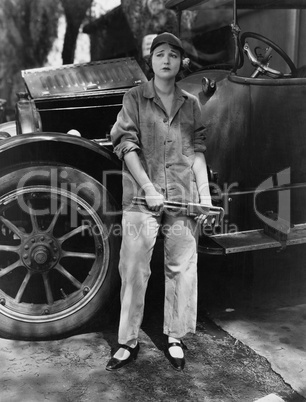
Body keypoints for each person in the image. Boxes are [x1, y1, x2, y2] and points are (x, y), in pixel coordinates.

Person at [106, 32, 212, 371]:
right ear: (150, 61)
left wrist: (205, 197)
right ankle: (127, 343)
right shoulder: (134, 98)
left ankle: (175, 337)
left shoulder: (191, 104)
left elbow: (196, 154)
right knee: (134, 267)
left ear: (182, 62)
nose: (166, 60)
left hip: (183, 198)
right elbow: (126, 145)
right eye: (159, 54)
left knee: (182, 267)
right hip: (141, 198)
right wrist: (149, 188)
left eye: (173, 55)